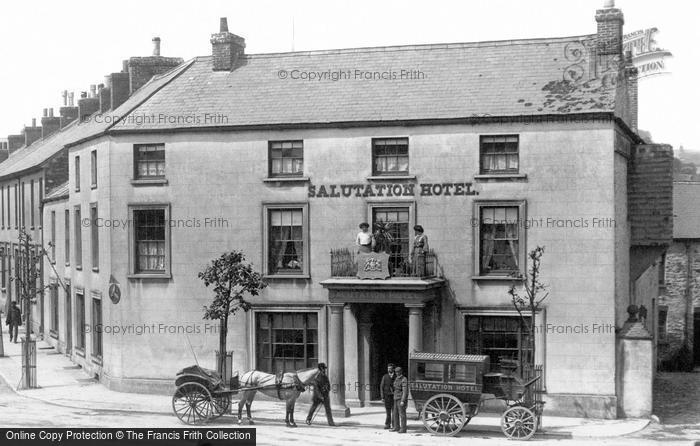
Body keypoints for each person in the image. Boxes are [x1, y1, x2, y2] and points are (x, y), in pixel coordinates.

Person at [391, 366, 408, 433]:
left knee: (402, 414)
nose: (397, 373)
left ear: (401, 372)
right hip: (395, 398)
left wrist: (403, 400)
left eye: (398, 372)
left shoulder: (404, 379)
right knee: (395, 413)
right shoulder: (396, 379)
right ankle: (396, 427)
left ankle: (403, 429)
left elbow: (405, 391)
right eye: (396, 372)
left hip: (400, 399)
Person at [379, 363, 396, 429]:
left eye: (390, 368)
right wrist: (382, 397)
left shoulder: (396, 376)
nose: (389, 369)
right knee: (388, 412)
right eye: (388, 368)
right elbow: (381, 387)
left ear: (393, 369)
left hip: (394, 397)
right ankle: (387, 424)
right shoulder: (385, 376)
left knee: (394, 411)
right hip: (387, 397)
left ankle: (394, 425)